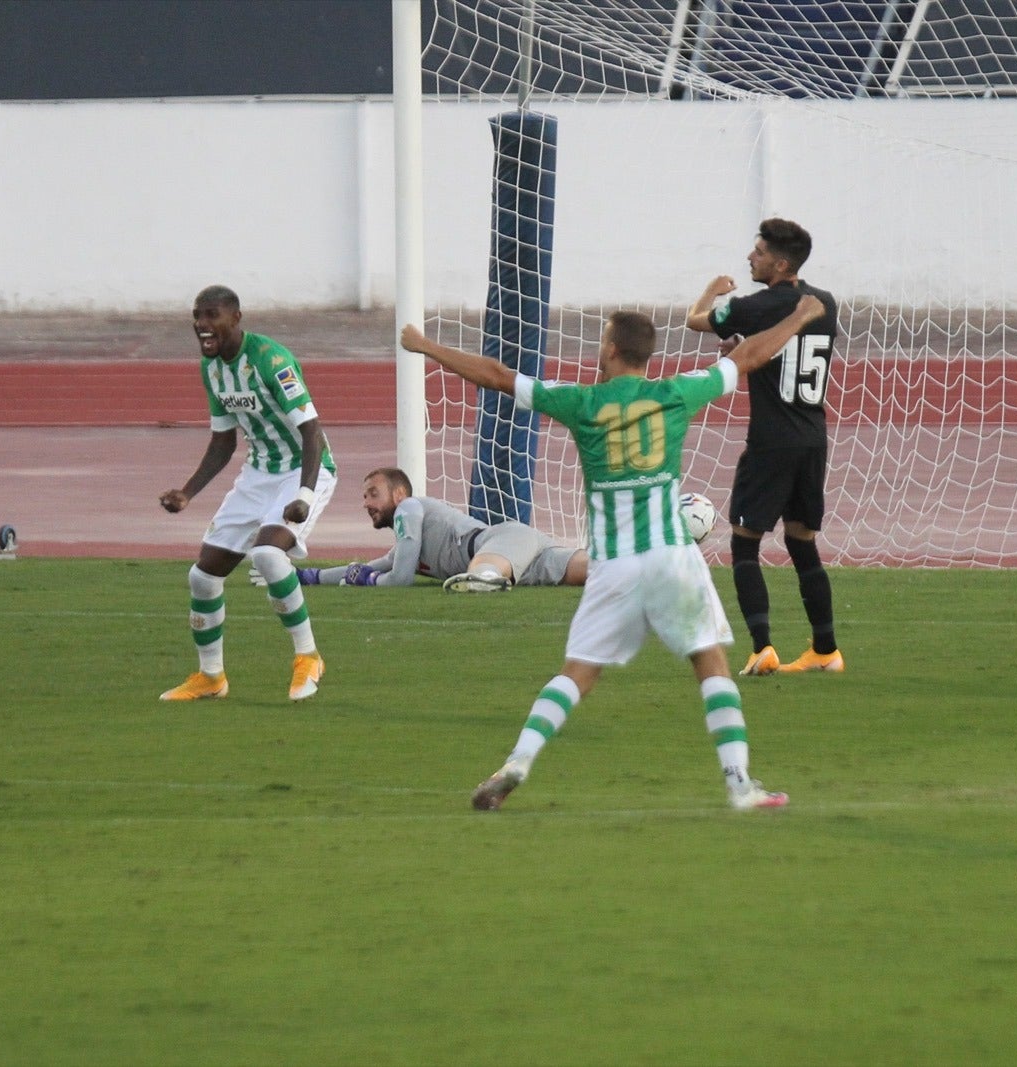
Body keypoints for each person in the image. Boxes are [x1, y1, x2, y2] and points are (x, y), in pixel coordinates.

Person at [401, 293, 824, 812]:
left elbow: (495, 375)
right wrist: (800, 316)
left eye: (602, 339)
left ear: (612, 350)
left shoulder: (581, 402)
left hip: (612, 566)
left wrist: (426, 346)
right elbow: (748, 357)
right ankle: (739, 783)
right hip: (672, 557)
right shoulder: (675, 394)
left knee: (577, 672)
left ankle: (519, 759)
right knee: (710, 663)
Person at [158, 285, 337, 702]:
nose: (203, 325)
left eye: (212, 315)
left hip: (305, 469)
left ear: (236, 318)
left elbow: (312, 431)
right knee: (202, 577)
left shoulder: (271, 361)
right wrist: (187, 493)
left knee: (268, 555)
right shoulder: (212, 369)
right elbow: (223, 442)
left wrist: (305, 496)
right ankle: (211, 677)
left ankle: (308, 656)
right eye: (197, 316)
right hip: (259, 474)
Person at [685, 218, 843, 675]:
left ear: (778, 262)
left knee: (744, 541)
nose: (749, 258)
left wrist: (713, 291)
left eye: (756, 252)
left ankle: (762, 648)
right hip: (813, 436)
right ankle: (826, 649)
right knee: (801, 540)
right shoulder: (824, 304)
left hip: (772, 440)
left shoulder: (757, 305)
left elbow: (695, 321)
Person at [297, 466, 588, 592]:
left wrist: (370, 581)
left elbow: (398, 580)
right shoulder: (406, 545)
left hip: (500, 543)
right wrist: (307, 576)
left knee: (481, 570)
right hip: (521, 557)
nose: (366, 503)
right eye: (364, 496)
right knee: (589, 571)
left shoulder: (409, 507)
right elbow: (375, 566)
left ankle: (483, 579)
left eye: (373, 493)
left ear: (399, 494)